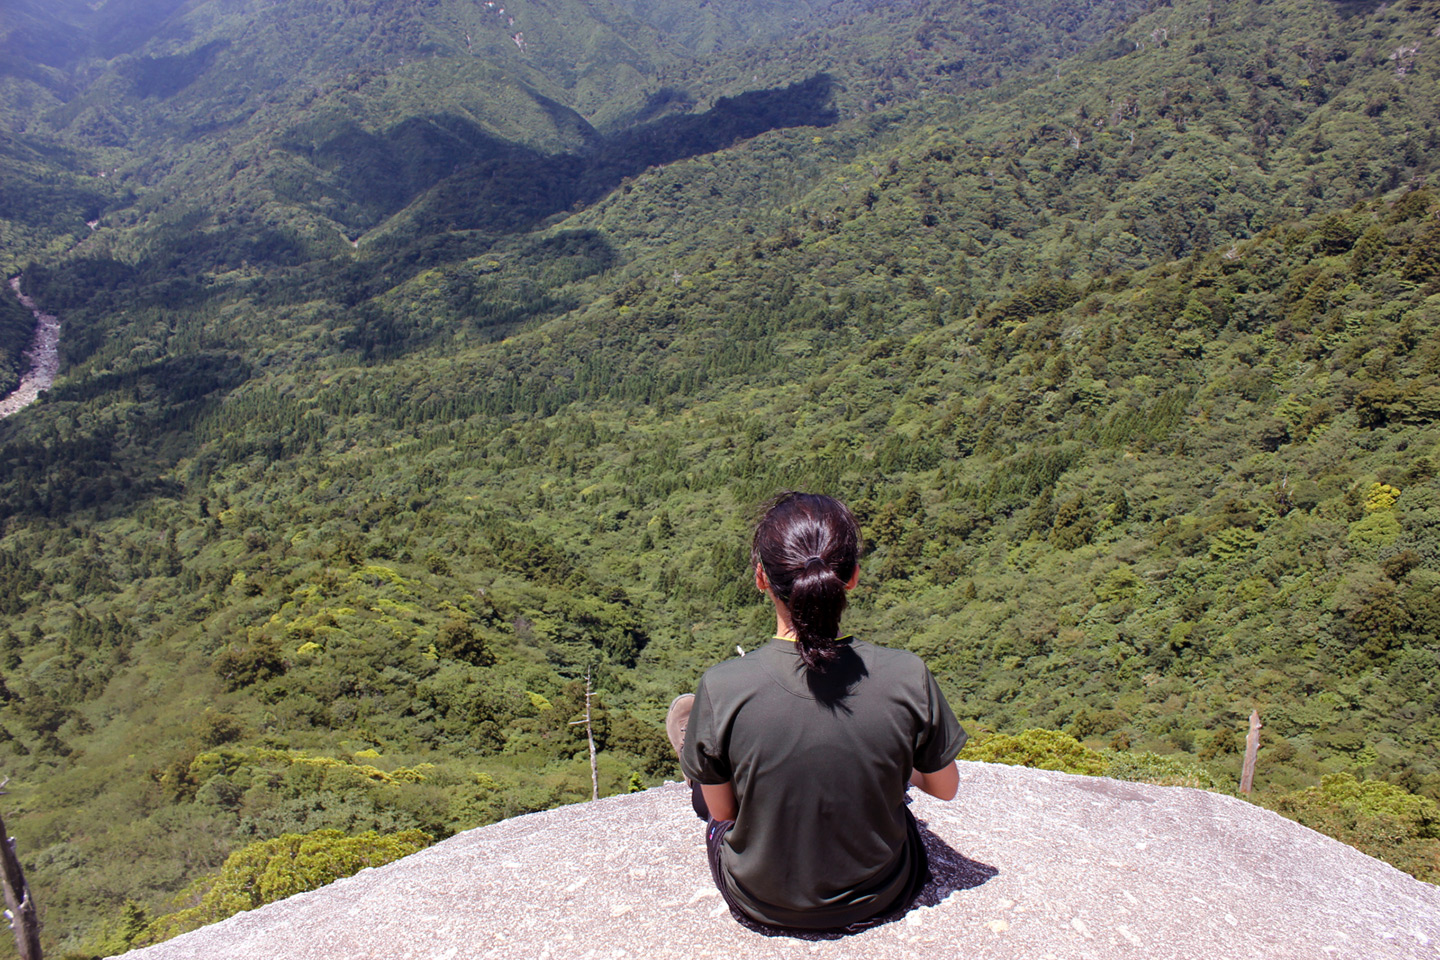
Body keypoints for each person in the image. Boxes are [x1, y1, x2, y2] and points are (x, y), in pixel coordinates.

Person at [666, 491, 967, 932]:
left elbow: (725, 812)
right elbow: (945, 789)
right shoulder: (908, 675)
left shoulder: (721, 685)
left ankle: (702, 753)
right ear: (853, 578)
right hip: (884, 891)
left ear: (761, 579)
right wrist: (902, 766)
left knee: (705, 794)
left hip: (760, 900)